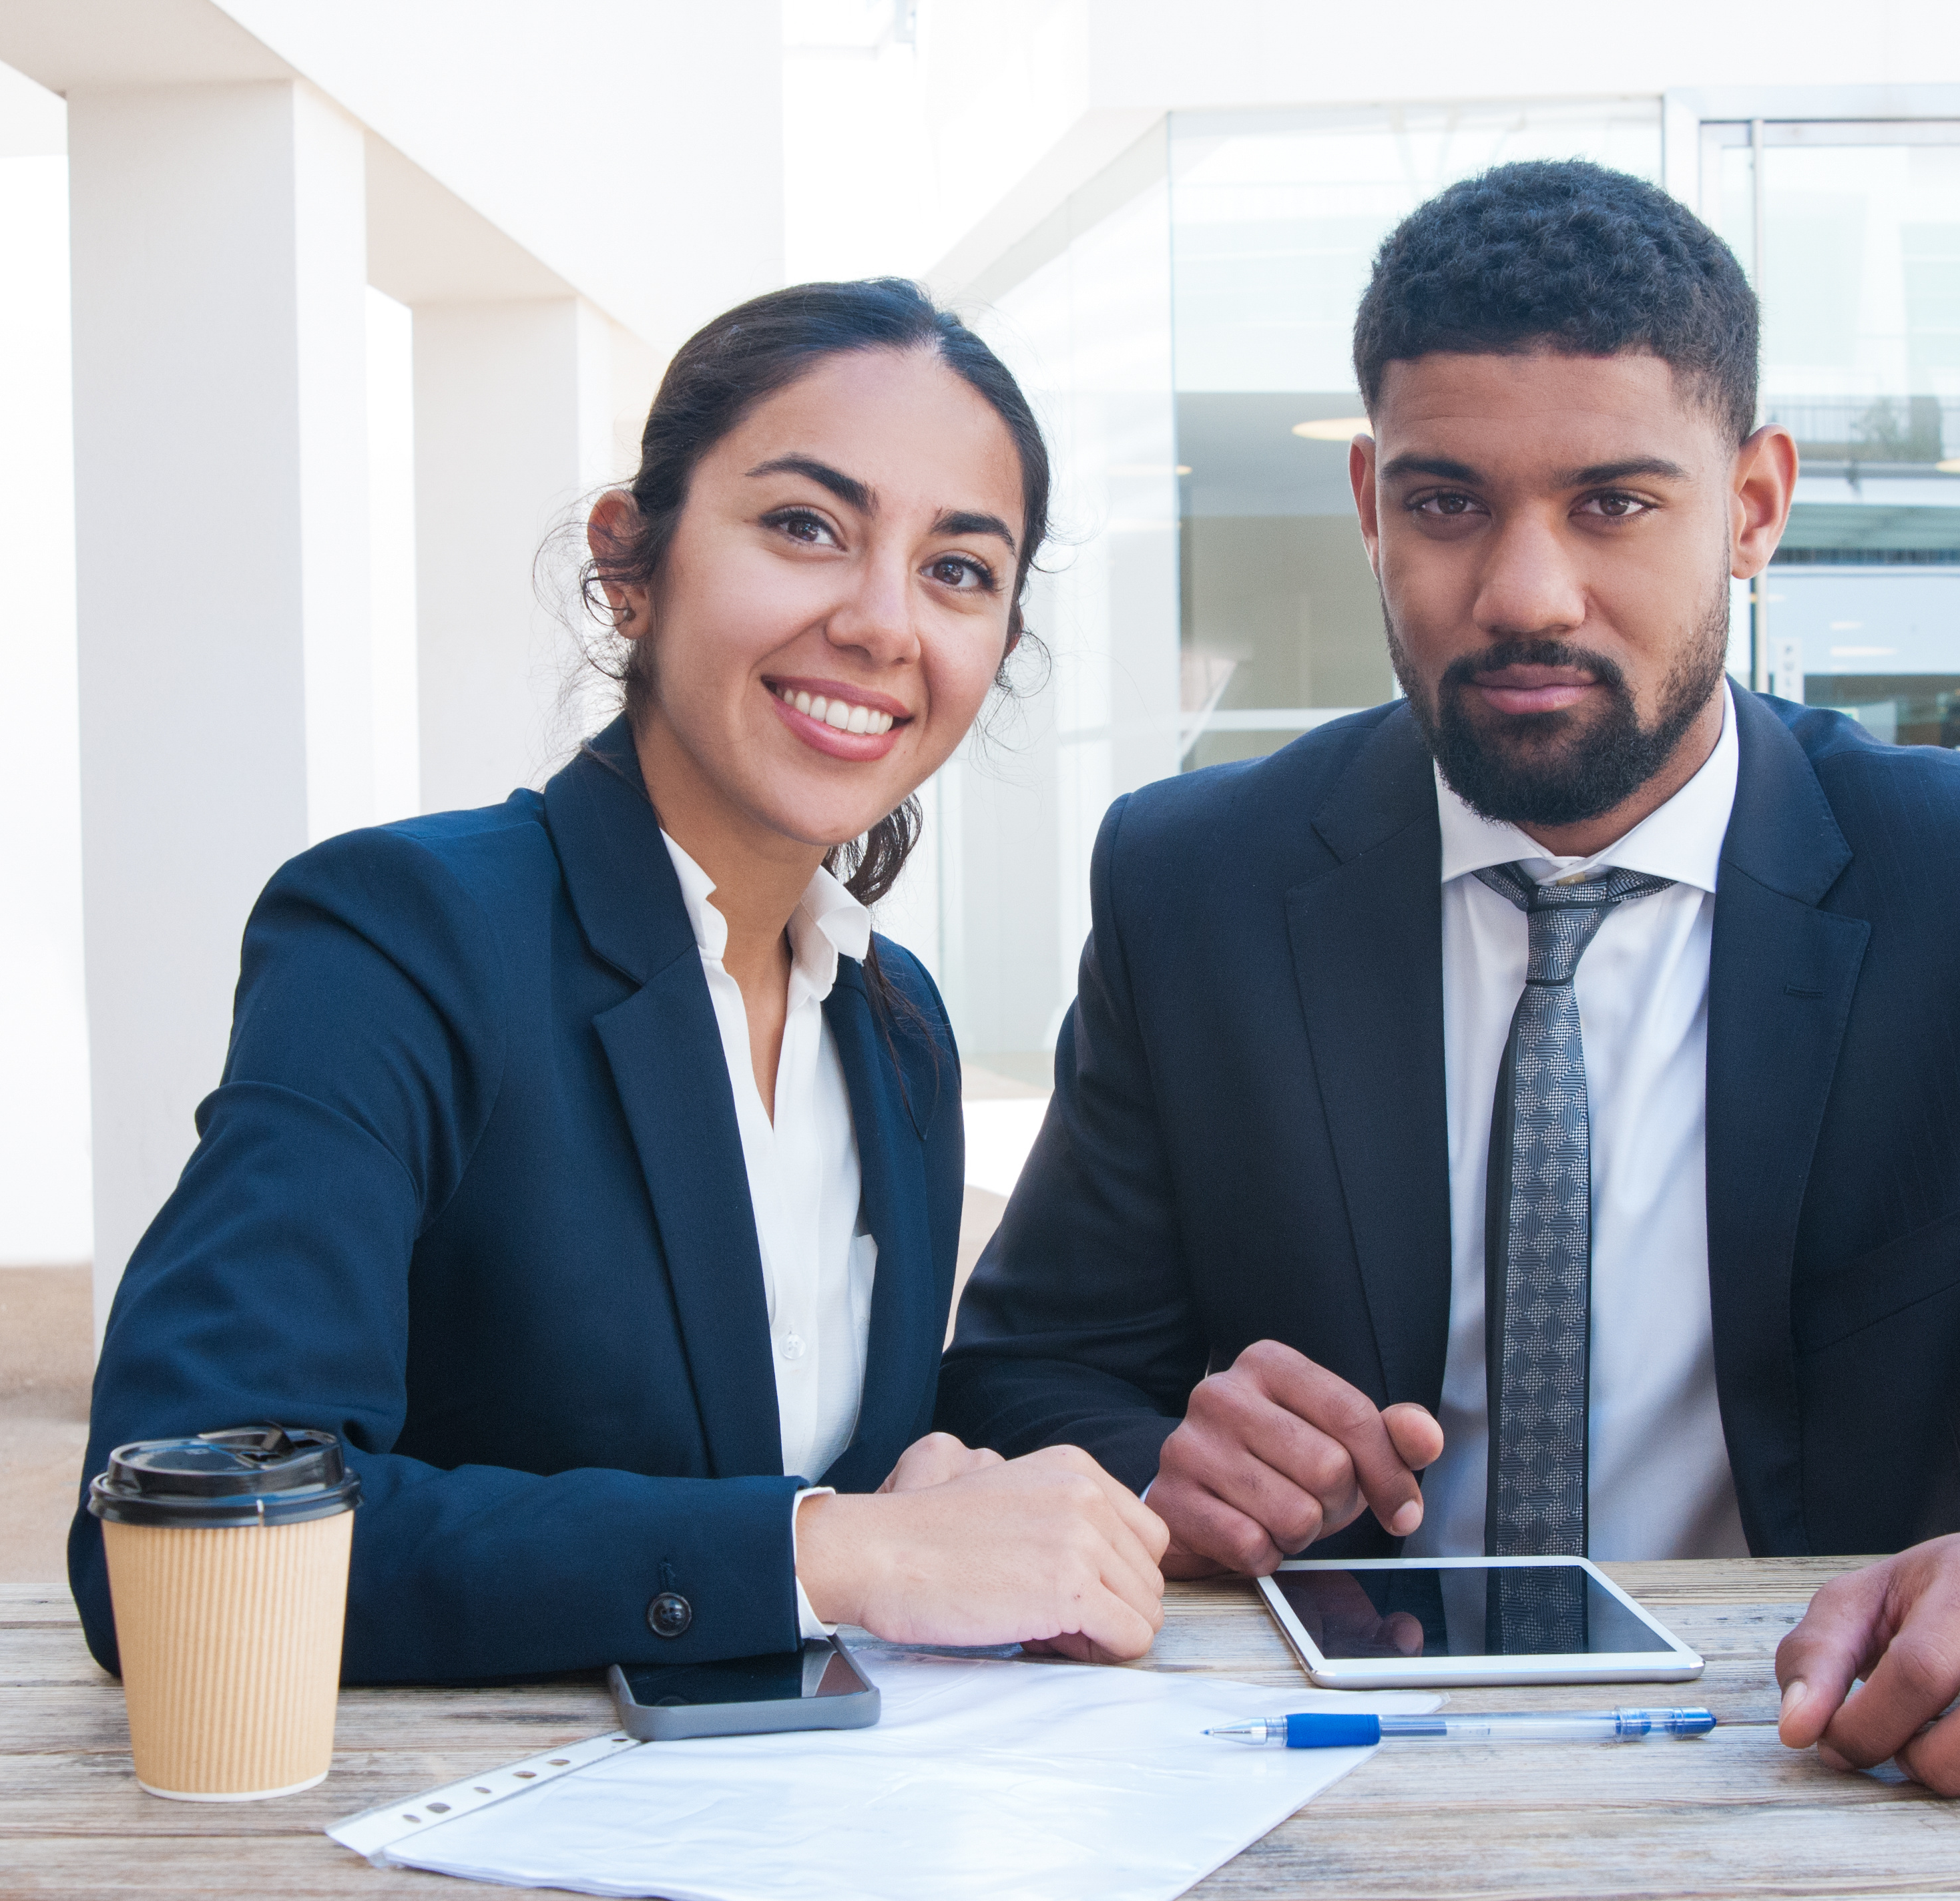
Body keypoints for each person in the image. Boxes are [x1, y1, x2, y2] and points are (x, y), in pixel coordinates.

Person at [935, 163, 1960, 1802]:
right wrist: (1160, 1467)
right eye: (1445, 503)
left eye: (1613, 502)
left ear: (1753, 503)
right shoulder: (1192, 880)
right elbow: (1025, 1371)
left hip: (1828, 1763)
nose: (1523, 593)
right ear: (1365, 503)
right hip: (1309, 1764)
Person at [69, 279, 1169, 1684]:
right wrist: (834, 1548)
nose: (884, 622)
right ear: (628, 563)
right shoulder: (406, 935)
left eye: (957, 568)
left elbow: (789, 1471)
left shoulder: (895, 1032)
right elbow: (177, 1533)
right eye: (803, 526)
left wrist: (930, 1493)